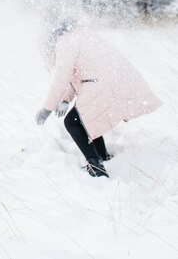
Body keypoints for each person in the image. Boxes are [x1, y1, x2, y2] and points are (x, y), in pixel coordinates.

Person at [35, 19, 162, 178]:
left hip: (101, 85)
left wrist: (48, 108)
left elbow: (62, 76)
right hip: (113, 82)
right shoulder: (82, 34)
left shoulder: (66, 42)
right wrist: (66, 100)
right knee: (87, 119)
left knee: (72, 122)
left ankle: (96, 167)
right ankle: (103, 157)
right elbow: (76, 74)